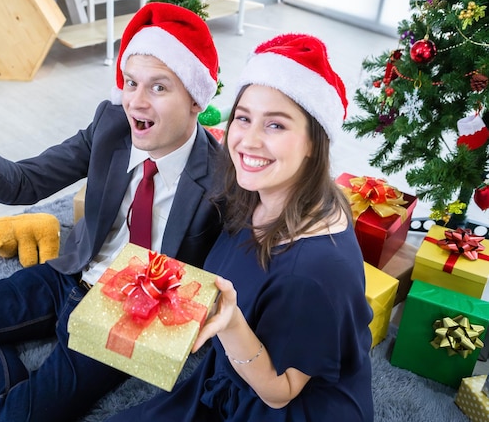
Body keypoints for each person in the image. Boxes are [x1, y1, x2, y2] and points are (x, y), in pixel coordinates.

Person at [0, 2, 223, 422]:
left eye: (158, 88)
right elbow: (25, 182)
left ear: (197, 99)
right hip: (70, 274)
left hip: (129, 316)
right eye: (130, 82)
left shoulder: (222, 178)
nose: (136, 102)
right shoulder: (110, 125)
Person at [105, 33, 375, 422]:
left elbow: (279, 393)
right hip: (230, 374)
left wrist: (230, 324)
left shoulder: (315, 273)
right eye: (244, 118)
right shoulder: (260, 192)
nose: (248, 141)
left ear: (314, 142)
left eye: (276, 126)